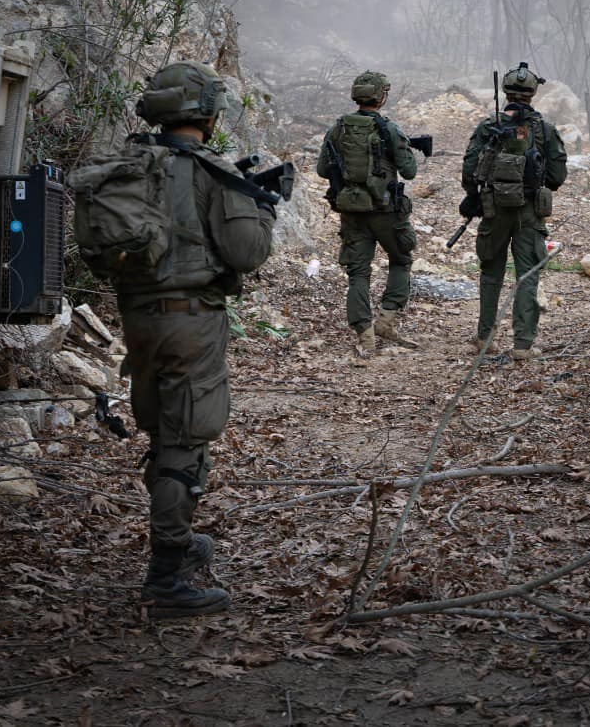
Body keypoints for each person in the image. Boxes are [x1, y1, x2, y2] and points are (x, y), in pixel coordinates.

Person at [100, 61, 275, 616]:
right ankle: (167, 573)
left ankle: (177, 539)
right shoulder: (212, 171)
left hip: (138, 319)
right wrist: (262, 210)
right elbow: (247, 252)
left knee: (164, 430)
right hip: (191, 320)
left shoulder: (128, 163)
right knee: (186, 439)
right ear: (207, 113)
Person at [460, 62, 567, 360]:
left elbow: (469, 169)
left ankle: (485, 337)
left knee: (491, 273)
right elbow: (557, 178)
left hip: (493, 210)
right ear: (533, 94)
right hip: (529, 213)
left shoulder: (489, 126)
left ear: (506, 91)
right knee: (527, 275)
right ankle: (522, 345)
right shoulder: (544, 130)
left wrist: (474, 196)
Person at [315, 70, 419, 354]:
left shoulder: (339, 129)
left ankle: (365, 336)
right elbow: (409, 171)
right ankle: (386, 319)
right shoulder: (389, 129)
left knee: (358, 274)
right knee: (400, 260)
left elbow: (323, 169)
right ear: (381, 96)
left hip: (351, 211)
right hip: (387, 211)